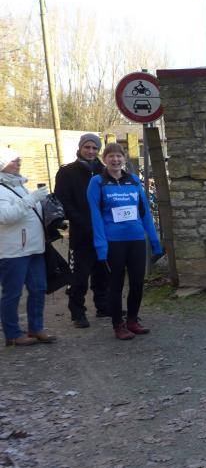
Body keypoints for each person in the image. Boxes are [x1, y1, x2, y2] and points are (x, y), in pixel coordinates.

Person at [87, 143, 162, 340]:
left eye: (119, 156)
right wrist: (101, 247)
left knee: (137, 283)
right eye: (111, 156)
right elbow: (95, 216)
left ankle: (132, 320)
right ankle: (118, 325)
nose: (115, 160)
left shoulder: (134, 180)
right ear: (104, 159)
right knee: (116, 284)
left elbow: (144, 212)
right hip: (113, 242)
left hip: (136, 239)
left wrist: (154, 240)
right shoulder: (97, 182)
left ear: (124, 158)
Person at [0, 148, 57, 347]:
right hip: (13, 251)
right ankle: (12, 334)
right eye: (13, 160)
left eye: (19, 159)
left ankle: (36, 328)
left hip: (34, 248)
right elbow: (5, 216)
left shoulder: (20, 185)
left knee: (38, 289)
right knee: (13, 293)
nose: (18, 163)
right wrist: (32, 198)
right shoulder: (1, 189)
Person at [54, 133, 109, 328]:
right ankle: (77, 313)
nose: (91, 151)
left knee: (103, 272)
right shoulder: (67, 172)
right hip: (81, 232)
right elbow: (62, 200)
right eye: (87, 147)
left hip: (104, 232)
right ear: (80, 148)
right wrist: (82, 221)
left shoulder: (105, 171)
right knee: (79, 275)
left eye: (95, 148)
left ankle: (103, 306)